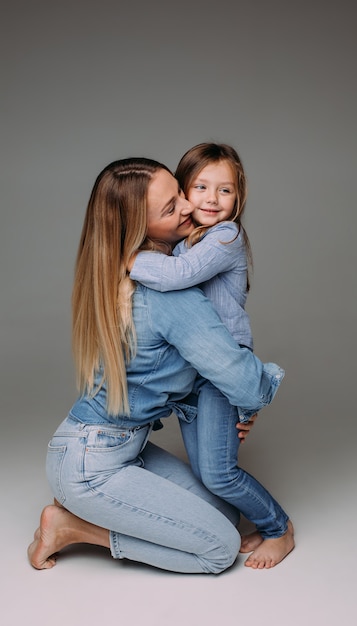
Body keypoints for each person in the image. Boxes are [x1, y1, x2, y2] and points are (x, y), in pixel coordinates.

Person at [28, 157, 295, 574]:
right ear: (140, 228)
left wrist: (229, 409)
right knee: (219, 550)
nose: (191, 207)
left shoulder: (116, 277)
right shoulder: (173, 297)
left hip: (111, 449)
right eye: (172, 209)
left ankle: (82, 505)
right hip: (92, 465)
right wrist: (251, 398)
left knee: (226, 517)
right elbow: (241, 378)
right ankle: (73, 525)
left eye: (179, 194)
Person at [129, 143, 292, 569]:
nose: (212, 199)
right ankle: (260, 519)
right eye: (200, 187)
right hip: (194, 370)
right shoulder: (184, 239)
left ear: (239, 199)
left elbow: (178, 278)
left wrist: (123, 256)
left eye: (226, 191)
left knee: (219, 473)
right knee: (206, 471)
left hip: (221, 366)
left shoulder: (226, 236)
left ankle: (279, 528)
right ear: (182, 192)